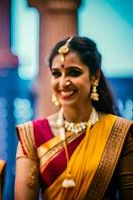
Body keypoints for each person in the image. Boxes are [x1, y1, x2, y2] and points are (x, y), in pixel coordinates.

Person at [14, 36, 133, 199]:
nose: (63, 82)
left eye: (74, 73)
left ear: (95, 77)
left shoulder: (119, 132)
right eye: (56, 74)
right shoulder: (32, 134)